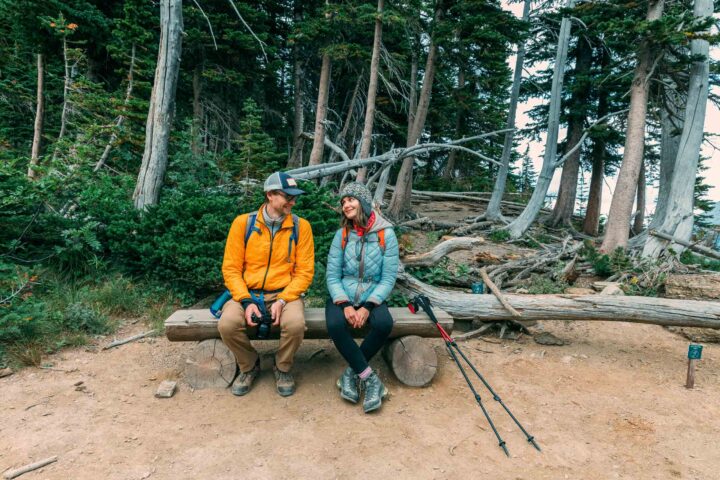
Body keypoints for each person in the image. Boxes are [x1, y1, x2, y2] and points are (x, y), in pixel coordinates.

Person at [218, 171, 314, 397]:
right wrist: (246, 300)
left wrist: (283, 299)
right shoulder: (243, 223)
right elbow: (231, 268)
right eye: (288, 196)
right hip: (247, 292)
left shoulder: (302, 227)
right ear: (270, 195)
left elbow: (305, 272)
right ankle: (249, 365)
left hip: (286, 293)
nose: (293, 201)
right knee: (227, 325)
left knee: (296, 324)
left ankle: (282, 367)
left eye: (295, 197)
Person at [325, 182, 399, 413]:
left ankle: (350, 373)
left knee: (384, 323)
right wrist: (345, 304)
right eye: (343, 201)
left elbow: (387, 279)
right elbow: (332, 275)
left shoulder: (386, 235)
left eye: (351, 200)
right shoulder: (342, 235)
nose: (346, 204)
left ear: (364, 202)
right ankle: (370, 379)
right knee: (335, 324)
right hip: (343, 294)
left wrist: (367, 306)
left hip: (372, 294)